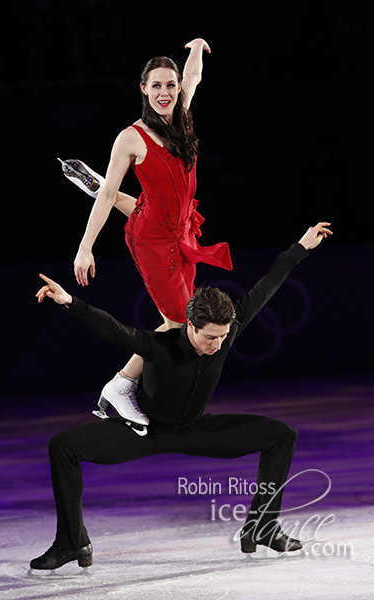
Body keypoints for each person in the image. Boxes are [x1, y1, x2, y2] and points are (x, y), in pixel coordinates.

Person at [30, 222, 332, 571]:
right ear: (190, 325)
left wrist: (301, 246)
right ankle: (72, 541)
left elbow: (267, 284)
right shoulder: (160, 346)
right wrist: (69, 302)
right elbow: (112, 329)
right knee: (62, 446)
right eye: (209, 338)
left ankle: (262, 526)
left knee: (282, 435)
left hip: (197, 429)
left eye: (221, 337)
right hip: (144, 430)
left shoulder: (226, 333)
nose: (216, 345)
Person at [62, 38, 232, 431]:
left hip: (179, 226)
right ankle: (121, 385)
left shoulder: (181, 115)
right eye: (156, 86)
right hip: (154, 242)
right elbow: (108, 198)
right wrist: (85, 248)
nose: (165, 92)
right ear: (143, 89)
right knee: (177, 322)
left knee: (151, 207)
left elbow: (194, 75)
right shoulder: (131, 137)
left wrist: (195, 49)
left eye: (170, 85)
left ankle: (94, 183)